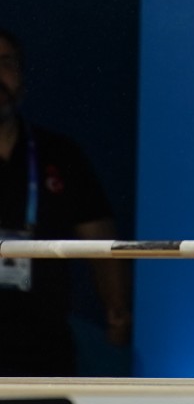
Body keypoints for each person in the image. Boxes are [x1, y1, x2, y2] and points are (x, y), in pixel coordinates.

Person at [0, 28, 132, 374]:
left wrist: (116, 308)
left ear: (23, 81)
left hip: (43, 349)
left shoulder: (59, 154)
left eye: (6, 64)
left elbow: (100, 238)